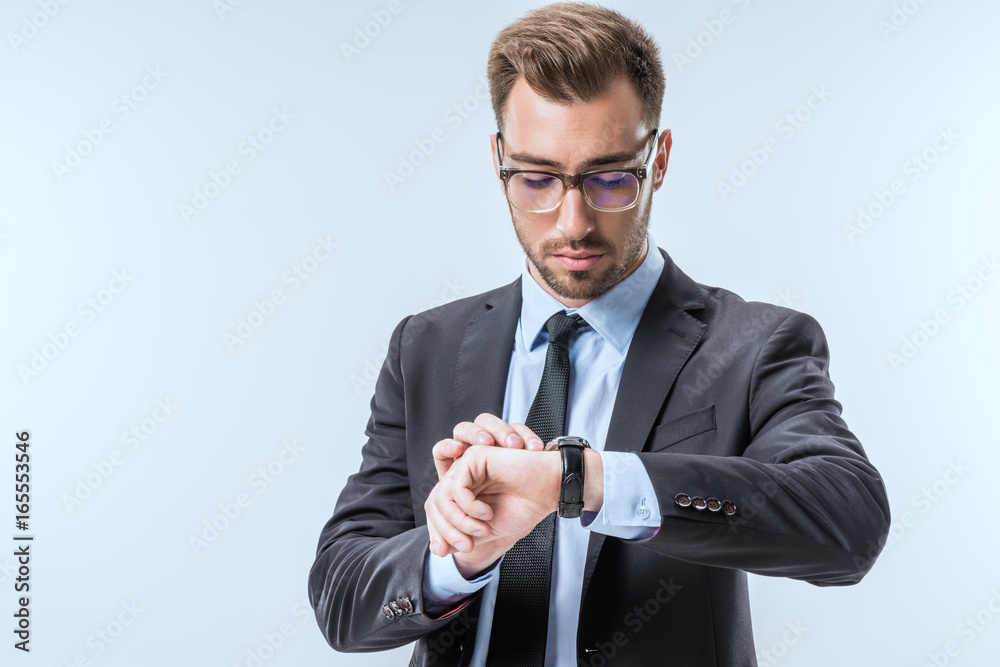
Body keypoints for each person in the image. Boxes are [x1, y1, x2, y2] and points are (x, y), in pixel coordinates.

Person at [308, 3, 890, 665]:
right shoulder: (426, 347)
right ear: (498, 160)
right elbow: (341, 596)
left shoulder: (754, 346)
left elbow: (849, 524)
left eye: (611, 179)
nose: (573, 220)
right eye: (536, 179)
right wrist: (456, 553)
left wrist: (580, 480)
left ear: (659, 159)